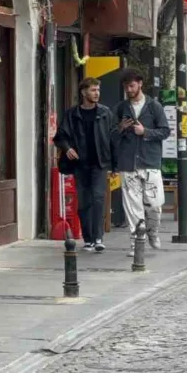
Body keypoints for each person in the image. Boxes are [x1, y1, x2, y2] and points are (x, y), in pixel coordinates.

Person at [112, 68, 171, 256]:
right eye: (126, 86)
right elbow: (110, 135)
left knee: (154, 204)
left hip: (150, 162)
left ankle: (153, 231)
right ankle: (136, 242)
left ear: (140, 84)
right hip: (128, 164)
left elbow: (165, 131)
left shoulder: (154, 107)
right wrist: (120, 128)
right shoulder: (121, 108)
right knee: (132, 207)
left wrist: (145, 132)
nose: (129, 90)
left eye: (131, 86)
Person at [53, 77, 115, 252]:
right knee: (84, 202)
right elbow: (60, 135)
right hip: (80, 164)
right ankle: (88, 238)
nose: (97, 93)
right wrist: (67, 148)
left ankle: (98, 238)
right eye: (93, 90)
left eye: (98, 90)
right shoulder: (72, 114)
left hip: (99, 163)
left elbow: (113, 139)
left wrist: (114, 165)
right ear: (83, 92)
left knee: (98, 198)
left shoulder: (105, 113)